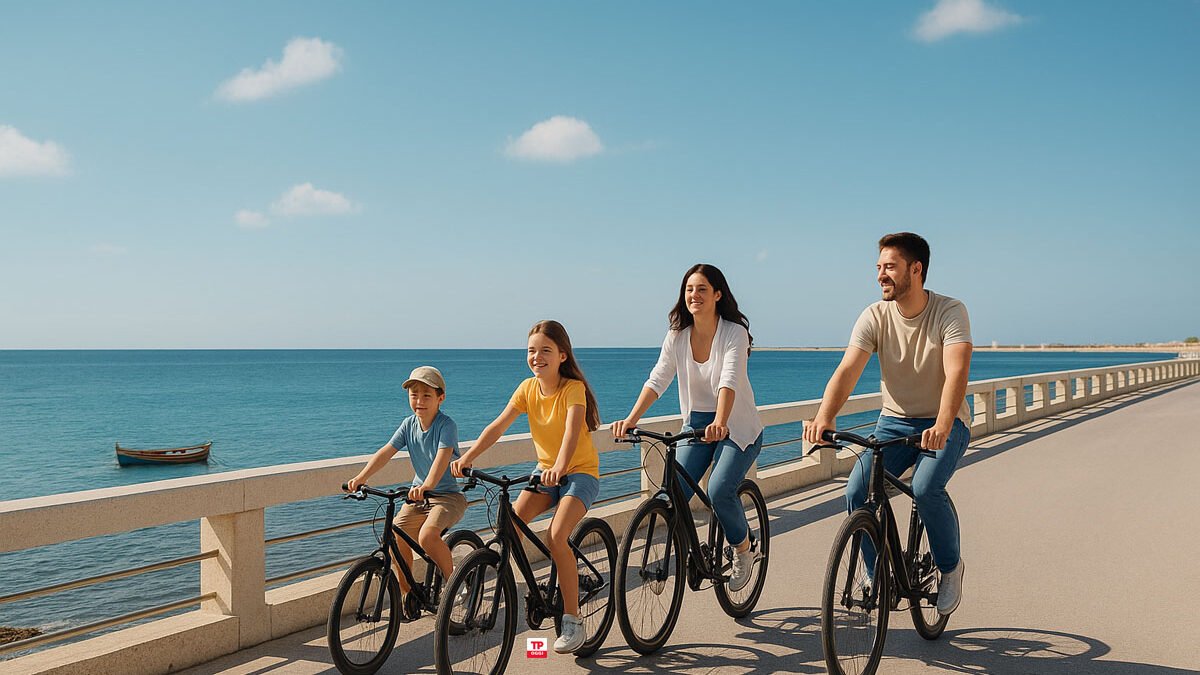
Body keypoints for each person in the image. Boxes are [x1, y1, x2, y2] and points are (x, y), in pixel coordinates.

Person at [803, 232, 972, 615]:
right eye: (878, 267)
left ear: (917, 269)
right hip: (893, 422)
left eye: (890, 267)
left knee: (927, 489)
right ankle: (876, 573)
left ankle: (950, 568)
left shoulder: (950, 311)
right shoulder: (874, 316)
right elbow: (848, 368)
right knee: (857, 489)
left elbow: (957, 370)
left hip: (944, 422)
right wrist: (824, 418)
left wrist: (943, 423)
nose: (881, 274)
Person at [450, 320, 602, 654]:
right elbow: (497, 427)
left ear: (562, 355)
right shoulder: (527, 389)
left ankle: (573, 620)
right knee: (511, 529)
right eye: (531, 350)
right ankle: (537, 591)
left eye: (545, 350)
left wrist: (561, 466)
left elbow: (572, 432)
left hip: (579, 473)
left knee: (556, 536)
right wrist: (467, 457)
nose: (537, 357)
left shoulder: (572, 389)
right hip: (545, 472)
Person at [611, 263, 764, 592]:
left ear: (717, 295)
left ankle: (742, 549)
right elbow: (658, 379)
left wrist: (721, 421)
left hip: (737, 425)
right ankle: (693, 552)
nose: (694, 295)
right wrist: (631, 419)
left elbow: (729, 379)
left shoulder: (733, 332)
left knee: (720, 489)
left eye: (702, 289)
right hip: (696, 424)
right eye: (689, 289)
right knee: (673, 493)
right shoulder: (677, 336)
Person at [345, 365, 465, 619]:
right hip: (418, 497)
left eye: (426, 395)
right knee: (394, 535)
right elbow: (385, 452)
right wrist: (361, 477)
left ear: (440, 398)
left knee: (428, 536)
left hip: (447, 497)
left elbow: (442, 459)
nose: (419, 401)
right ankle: (408, 593)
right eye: (414, 395)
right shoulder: (408, 424)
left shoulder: (447, 426)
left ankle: (454, 581)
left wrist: (427, 485)